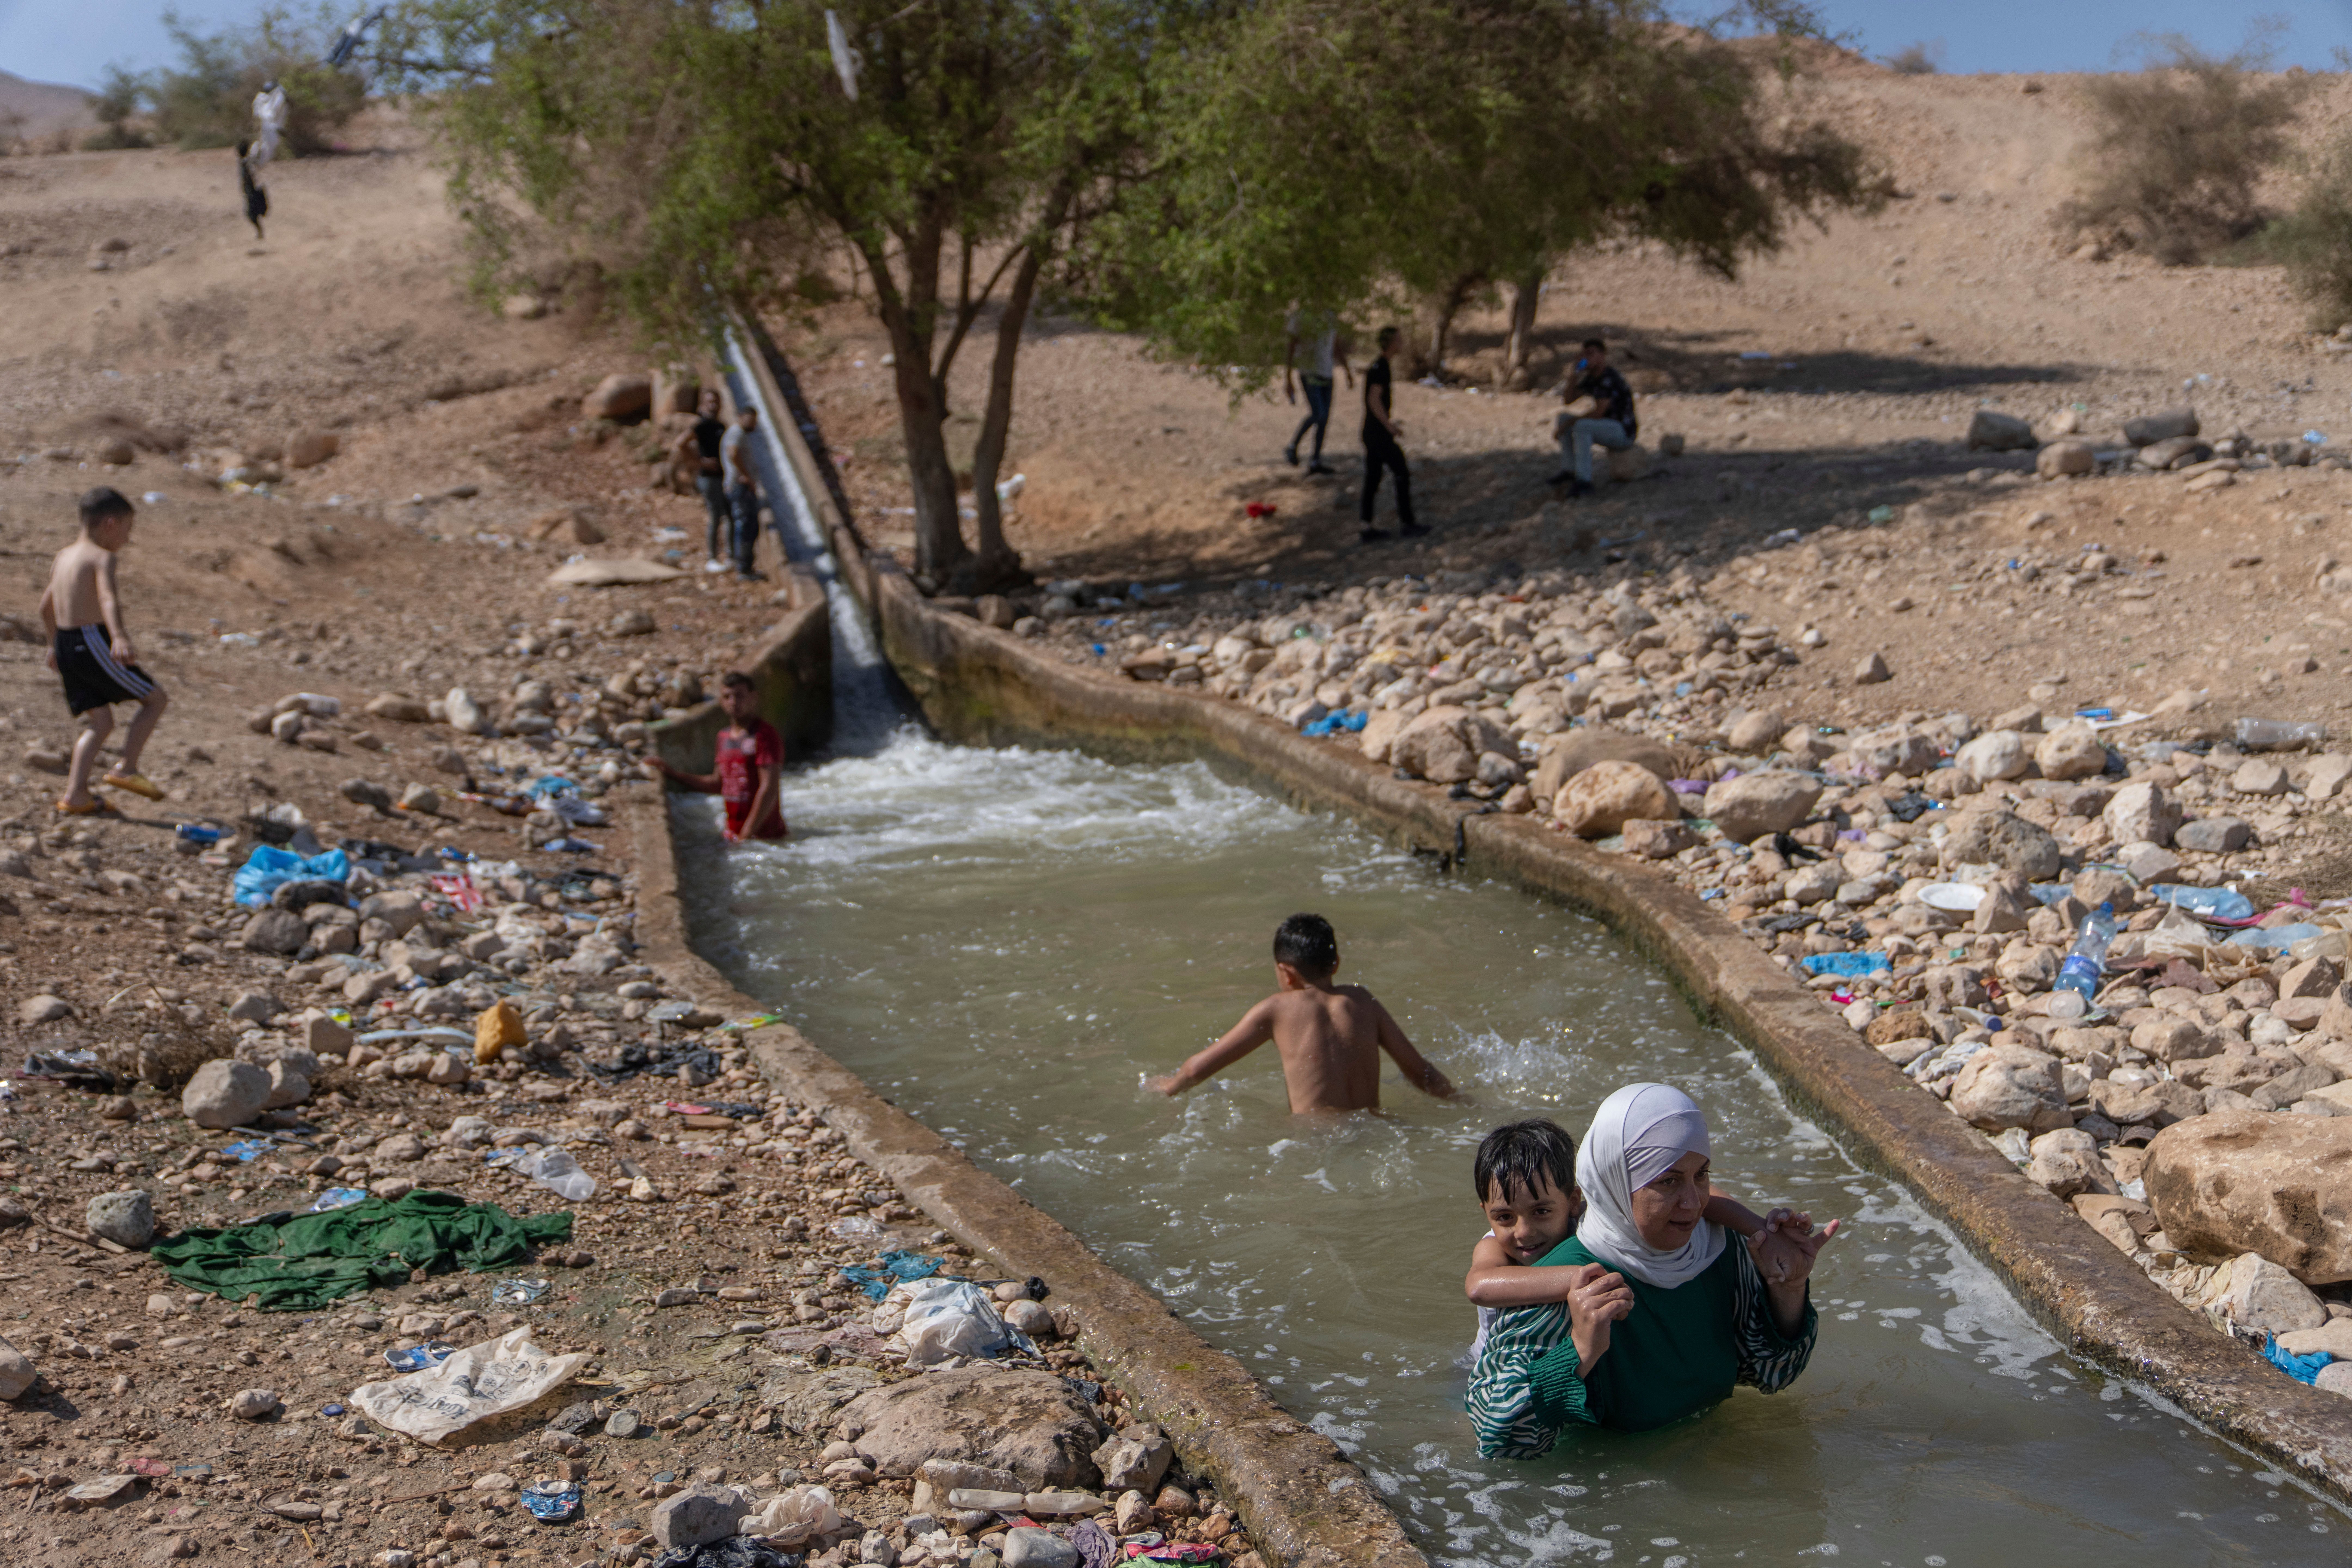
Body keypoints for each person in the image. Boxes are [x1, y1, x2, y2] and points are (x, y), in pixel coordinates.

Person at [1466, 1083, 1831, 1454]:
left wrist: (1788, 1290)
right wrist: (1579, 1351)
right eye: (1668, 1181)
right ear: (1617, 1183)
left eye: (1701, 1175)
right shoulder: (1569, 1287)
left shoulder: (1720, 1248)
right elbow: (1498, 1440)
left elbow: (1773, 1374)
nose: (1692, 1203)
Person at [1462, 1117, 1824, 1364]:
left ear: (1574, 1201)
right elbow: (1480, 1287)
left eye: (1541, 1212)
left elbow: (1705, 1196)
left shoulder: (1596, 1222)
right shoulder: (1495, 1245)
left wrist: (1761, 1230)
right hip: (1490, 1367)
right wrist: (1592, 1279)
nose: (1523, 1232)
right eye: (1505, 1217)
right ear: (1486, 1212)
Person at [1147, 913, 1453, 1113]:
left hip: (1317, 1143)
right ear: (1335, 964)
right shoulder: (1362, 1001)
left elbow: (1196, 1070)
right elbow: (1421, 1073)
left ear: (1286, 973)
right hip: (1374, 1131)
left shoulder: (1277, 1009)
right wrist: (1461, 1099)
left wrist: (1168, 1086)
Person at [38, 488, 170, 815]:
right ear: (111, 524)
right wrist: (119, 637)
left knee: (100, 722)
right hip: (91, 640)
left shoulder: (63, 556)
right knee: (155, 699)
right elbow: (109, 598)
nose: (127, 540)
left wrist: (54, 645)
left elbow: (45, 608)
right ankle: (127, 768)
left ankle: (76, 796)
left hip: (67, 642)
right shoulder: (102, 557)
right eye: (128, 531)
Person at [648, 671, 787, 841]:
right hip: (735, 836)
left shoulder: (764, 735)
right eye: (727, 697)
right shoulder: (723, 737)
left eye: (740, 696)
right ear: (721, 702)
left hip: (767, 838)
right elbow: (718, 784)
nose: (733, 702)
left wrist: (746, 834)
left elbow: (769, 788)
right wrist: (673, 775)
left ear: (754, 698)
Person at [1548, 337, 1637, 498]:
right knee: (1563, 418)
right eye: (1584, 355)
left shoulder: (1609, 377)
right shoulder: (1592, 378)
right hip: (1607, 427)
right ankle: (1569, 470)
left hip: (1622, 431)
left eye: (1591, 354)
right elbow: (1568, 401)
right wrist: (1573, 375)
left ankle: (1584, 481)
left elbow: (1599, 412)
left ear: (1602, 356)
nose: (1586, 358)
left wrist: (1570, 424)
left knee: (1582, 426)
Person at [1358, 326, 1423, 543]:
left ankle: (1366, 526)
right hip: (1377, 433)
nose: (1402, 343)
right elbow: (1374, 399)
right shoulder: (1380, 368)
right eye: (1398, 340)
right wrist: (1389, 426)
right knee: (1401, 471)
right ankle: (1408, 523)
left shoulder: (1381, 366)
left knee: (1373, 478)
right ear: (1390, 343)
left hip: (1372, 432)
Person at [1283, 310, 1352, 476]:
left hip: (1327, 374)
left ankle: (1316, 461)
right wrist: (1288, 378)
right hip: (1310, 374)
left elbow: (1336, 346)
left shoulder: (1330, 317)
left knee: (1324, 419)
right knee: (1318, 414)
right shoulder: (1300, 317)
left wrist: (1347, 370)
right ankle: (1293, 447)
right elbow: (1291, 347)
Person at [672, 389, 731, 569]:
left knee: (728, 516)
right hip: (709, 478)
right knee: (715, 516)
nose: (713, 405)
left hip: (723, 477)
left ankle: (729, 556)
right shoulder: (701, 425)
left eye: (716, 402)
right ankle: (712, 558)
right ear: (703, 405)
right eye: (710, 402)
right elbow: (681, 443)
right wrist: (700, 462)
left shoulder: (721, 426)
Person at [720, 403, 763, 578]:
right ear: (740, 417)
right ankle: (743, 568)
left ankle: (745, 566)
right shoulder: (737, 432)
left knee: (749, 526)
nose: (753, 424)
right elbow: (733, 454)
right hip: (740, 487)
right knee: (745, 526)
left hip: (742, 486)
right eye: (750, 420)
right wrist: (747, 477)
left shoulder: (740, 433)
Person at [248, 80, 289, 173]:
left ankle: (253, 162)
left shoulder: (262, 99)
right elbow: (276, 110)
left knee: (262, 145)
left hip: (266, 125)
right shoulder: (278, 95)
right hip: (269, 126)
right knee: (267, 148)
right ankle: (254, 165)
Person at [234, 142, 268, 241]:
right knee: (252, 213)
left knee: (251, 214)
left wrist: (249, 189)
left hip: (250, 190)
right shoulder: (245, 162)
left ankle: (260, 232)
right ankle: (260, 232)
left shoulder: (245, 163)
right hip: (250, 189)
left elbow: (249, 177)